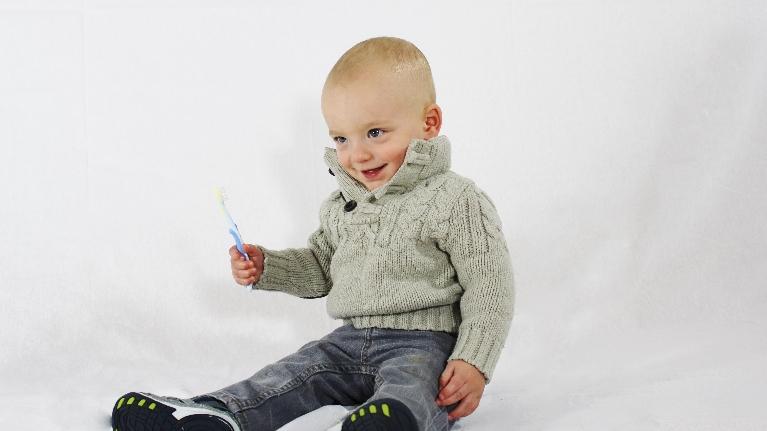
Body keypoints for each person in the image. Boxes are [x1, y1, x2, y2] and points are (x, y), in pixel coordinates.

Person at [112, 36, 514, 431]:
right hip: (348, 341)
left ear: (429, 123)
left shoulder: (455, 198)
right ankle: (215, 414)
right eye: (341, 138)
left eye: (375, 133)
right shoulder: (341, 206)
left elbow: (490, 285)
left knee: (417, 387)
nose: (357, 154)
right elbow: (322, 267)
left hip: (423, 342)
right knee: (293, 372)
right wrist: (267, 266)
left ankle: (389, 422)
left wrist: (474, 359)